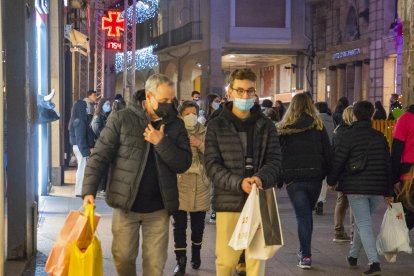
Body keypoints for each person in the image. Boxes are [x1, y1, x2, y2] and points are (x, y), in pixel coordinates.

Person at [82, 74, 192, 276]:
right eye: (164, 100)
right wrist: (88, 189)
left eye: (172, 100)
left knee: (155, 266)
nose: (169, 105)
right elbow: (100, 155)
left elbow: (184, 163)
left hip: (159, 208)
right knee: (123, 259)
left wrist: (161, 143)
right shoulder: (122, 118)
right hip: (126, 206)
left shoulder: (176, 125)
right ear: (149, 97)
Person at [204, 68, 281, 276]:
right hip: (228, 199)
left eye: (249, 91)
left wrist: (260, 177)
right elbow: (211, 165)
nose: (245, 96)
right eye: (240, 91)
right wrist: (238, 182)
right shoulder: (216, 125)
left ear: (255, 93)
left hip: (259, 197)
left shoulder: (266, 125)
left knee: (256, 262)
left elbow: (275, 160)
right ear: (230, 92)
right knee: (226, 262)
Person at [327, 101, 394, 276]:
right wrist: (389, 191)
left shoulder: (348, 136)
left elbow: (339, 160)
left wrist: (331, 180)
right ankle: (353, 255)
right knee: (362, 223)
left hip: (355, 187)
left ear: (354, 115)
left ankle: (374, 262)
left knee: (363, 223)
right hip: (377, 188)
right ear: (372, 115)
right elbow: (388, 165)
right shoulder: (380, 137)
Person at [277, 93, 332, 270]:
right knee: (307, 214)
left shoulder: (284, 128)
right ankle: (304, 251)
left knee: (303, 216)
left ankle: (305, 256)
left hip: (293, 179)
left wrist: (279, 178)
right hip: (315, 177)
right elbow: (327, 152)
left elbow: (278, 156)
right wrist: (330, 176)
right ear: (311, 106)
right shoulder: (318, 126)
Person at [172, 101, 209, 276]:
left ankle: (196, 254)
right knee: (179, 226)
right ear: (181, 115)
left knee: (198, 226)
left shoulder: (204, 131)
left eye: (194, 113)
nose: (191, 116)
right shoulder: (175, 132)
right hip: (180, 183)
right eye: (187, 113)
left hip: (200, 183)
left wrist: (199, 144)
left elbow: (213, 154)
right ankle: (181, 260)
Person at [331, 106, 355, 242]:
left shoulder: (338, 131)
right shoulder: (353, 132)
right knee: (354, 203)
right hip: (352, 172)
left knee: (341, 202)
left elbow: (335, 154)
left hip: (341, 173)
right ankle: (353, 233)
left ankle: (338, 231)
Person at [392, 103, 414, 230]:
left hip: (408, 171)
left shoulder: (404, 119)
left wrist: (394, 178)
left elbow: (396, 150)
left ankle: (398, 232)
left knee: (403, 205)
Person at [68, 100, 95, 197]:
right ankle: (79, 191)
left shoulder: (76, 120)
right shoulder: (80, 121)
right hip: (81, 147)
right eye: (85, 107)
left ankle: (80, 190)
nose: (87, 109)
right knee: (82, 169)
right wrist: (86, 152)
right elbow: (81, 139)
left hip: (78, 147)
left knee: (82, 168)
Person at [314, 101, 335, 216]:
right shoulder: (332, 120)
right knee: (324, 180)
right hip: (329, 153)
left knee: (314, 178)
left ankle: (314, 199)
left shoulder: (315, 120)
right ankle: (321, 200)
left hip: (316, 153)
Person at [91, 98, 111, 197]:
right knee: (101, 169)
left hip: (102, 145)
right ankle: (100, 189)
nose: (109, 106)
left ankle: (102, 188)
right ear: (102, 105)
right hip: (99, 145)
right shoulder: (97, 118)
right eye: (107, 104)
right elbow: (98, 132)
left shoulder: (103, 116)